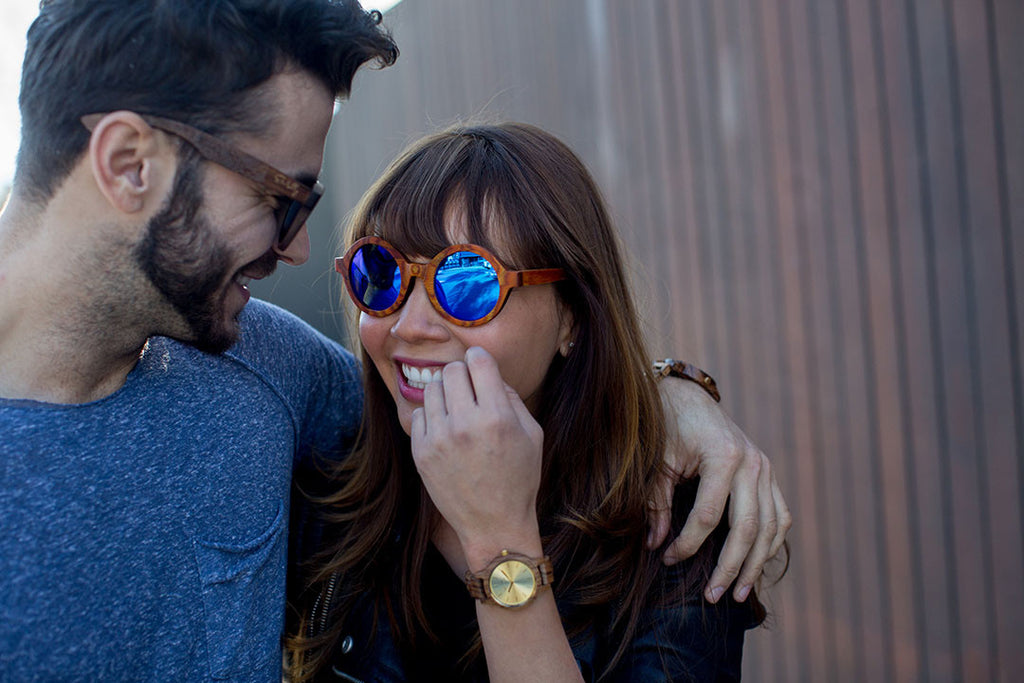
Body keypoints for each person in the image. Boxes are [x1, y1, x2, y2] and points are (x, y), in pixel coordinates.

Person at [0, 1, 787, 680]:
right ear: (129, 164)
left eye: (468, 279)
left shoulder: (267, 366)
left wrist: (676, 395)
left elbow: (473, 395)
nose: (298, 250)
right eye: (280, 198)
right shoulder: (296, 416)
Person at [287, 123, 787, 681]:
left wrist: (500, 540)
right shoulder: (322, 490)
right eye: (380, 274)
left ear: (570, 316)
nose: (408, 325)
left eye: (469, 282)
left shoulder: (670, 526)